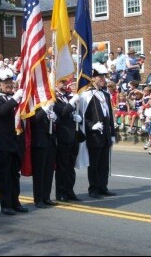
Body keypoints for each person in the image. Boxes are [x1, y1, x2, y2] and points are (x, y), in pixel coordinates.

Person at [0, 68, 28, 215]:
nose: (9, 84)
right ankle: (6, 204)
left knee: (15, 174)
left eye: (10, 81)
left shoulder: (13, 97)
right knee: (4, 175)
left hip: (15, 143)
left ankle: (15, 202)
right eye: (5, 82)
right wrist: (16, 98)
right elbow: (2, 112)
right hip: (2, 144)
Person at [77, 63, 117, 199]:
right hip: (94, 135)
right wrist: (91, 125)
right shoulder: (86, 95)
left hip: (105, 134)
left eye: (104, 77)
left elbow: (110, 115)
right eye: (100, 77)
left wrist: (112, 134)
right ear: (92, 78)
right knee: (94, 163)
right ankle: (93, 188)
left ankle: (102, 186)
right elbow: (83, 117)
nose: (103, 79)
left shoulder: (106, 95)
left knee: (104, 163)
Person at [53, 79, 82, 202]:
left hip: (73, 136)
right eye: (62, 82)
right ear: (56, 83)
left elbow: (72, 111)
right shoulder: (53, 98)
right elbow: (63, 112)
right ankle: (61, 192)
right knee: (62, 166)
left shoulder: (68, 96)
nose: (65, 85)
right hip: (62, 136)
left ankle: (70, 191)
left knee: (71, 166)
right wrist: (72, 103)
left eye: (66, 83)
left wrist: (77, 116)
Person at [30, 100, 59, 208]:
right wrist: (45, 109)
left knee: (49, 171)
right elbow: (34, 119)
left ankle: (46, 197)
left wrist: (55, 117)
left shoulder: (50, 106)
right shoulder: (35, 105)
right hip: (39, 143)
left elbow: (56, 122)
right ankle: (38, 199)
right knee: (39, 172)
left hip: (50, 141)